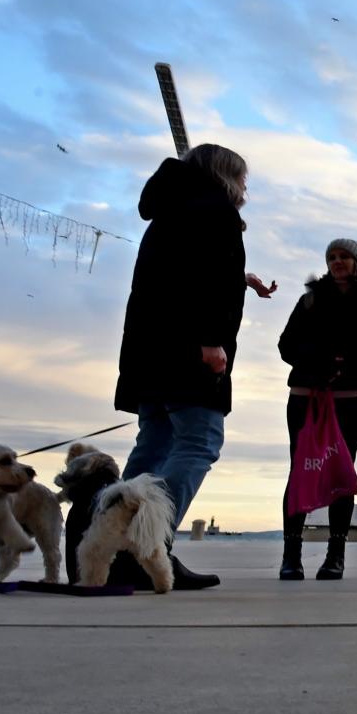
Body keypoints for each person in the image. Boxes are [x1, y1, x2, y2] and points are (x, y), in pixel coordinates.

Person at [113, 143, 278, 589]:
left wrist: (239, 279)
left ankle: (112, 548)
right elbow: (200, 281)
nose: (245, 187)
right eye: (242, 177)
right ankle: (148, 549)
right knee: (198, 441)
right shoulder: (214, 209)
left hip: (150, 350)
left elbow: (177, 274)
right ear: (224, 175)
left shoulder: (172, 207)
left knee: (154, 444)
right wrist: (210, 339)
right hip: (189, 351)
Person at [276, 238, 357, 580]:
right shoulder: (310, 300)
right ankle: (291, 555)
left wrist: (344, 359)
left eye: (344, 256)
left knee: (342, 471)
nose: (337, 261)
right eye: (332, 256)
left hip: (352, 398)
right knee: (300, 467)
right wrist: (317, 360)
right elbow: (286, 345)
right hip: (306, 395)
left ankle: (335, 555)